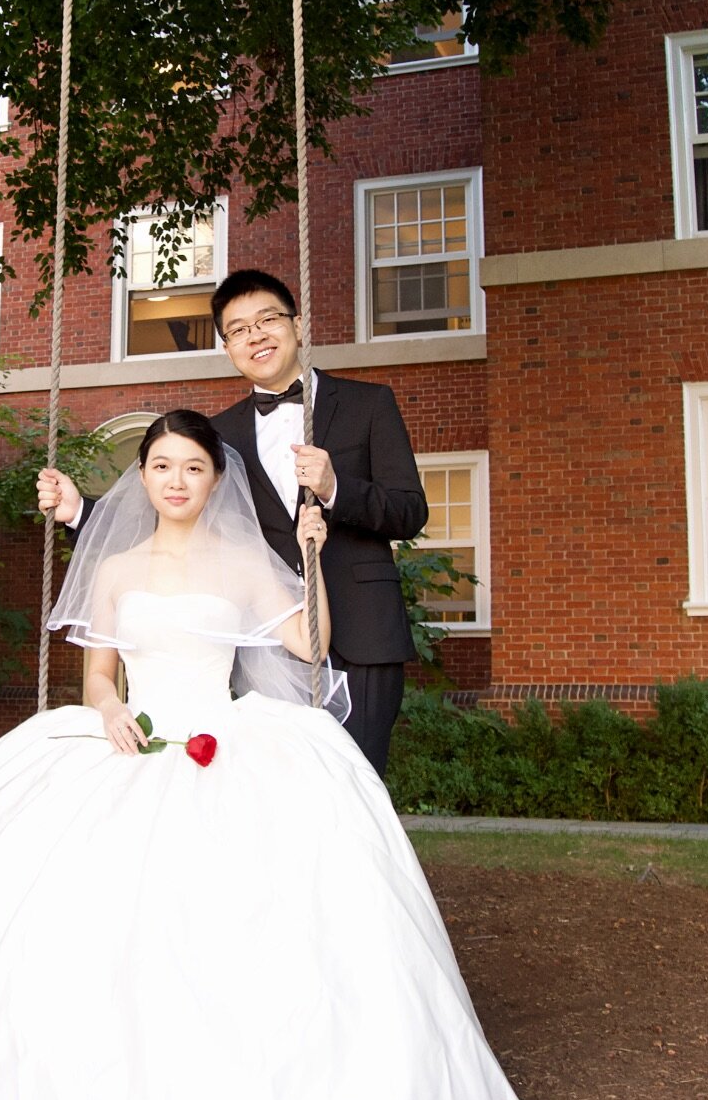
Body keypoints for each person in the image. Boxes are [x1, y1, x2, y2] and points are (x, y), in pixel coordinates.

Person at [0, 412, 518, 1100]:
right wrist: (109, 709)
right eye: (161, 466)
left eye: (192, 467)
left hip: (222, 739)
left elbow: (310, 648)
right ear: (140, 476)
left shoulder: (245, 565)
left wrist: (312, 561)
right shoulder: (115, 568)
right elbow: (97, 674)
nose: (176, 480)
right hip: (134, 735)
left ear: (215, 480)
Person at [38, 270, 427, 776]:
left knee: (355, 786)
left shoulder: (367, 404)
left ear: (298, 324)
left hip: (360, 629)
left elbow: (409, 511)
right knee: (276, 789)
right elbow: (178, 512)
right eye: (239, 329)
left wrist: (336, 488)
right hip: (259, 640)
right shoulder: (221, 433)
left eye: (268, 320)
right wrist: (79, 512)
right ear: (227, 347)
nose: (256, 336)